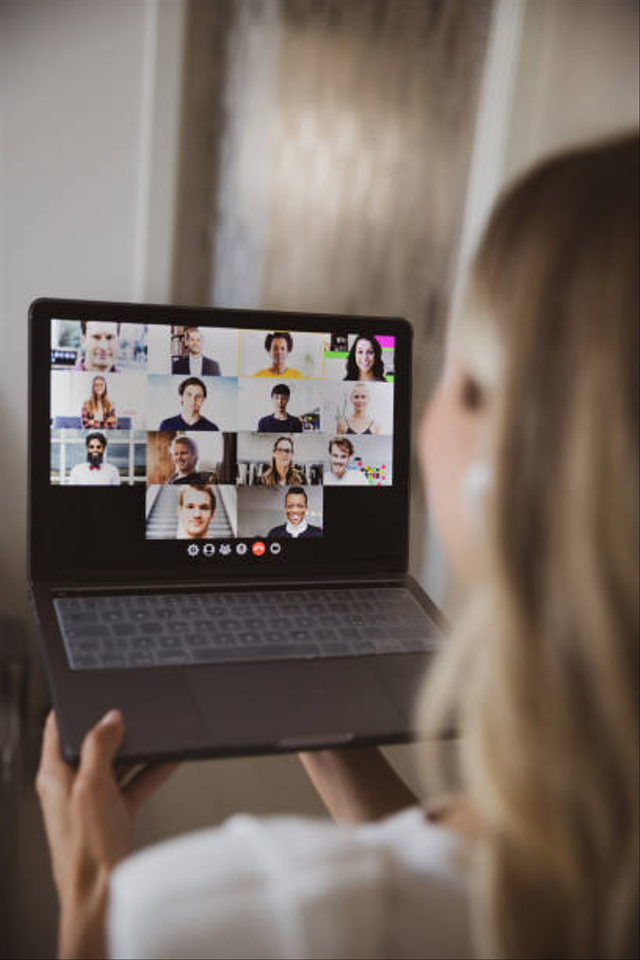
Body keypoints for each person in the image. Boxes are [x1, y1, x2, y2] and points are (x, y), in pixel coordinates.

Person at [36, 135, 639, 960]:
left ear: (525, 469)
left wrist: (87, 898)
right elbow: (466, 877)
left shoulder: (184, 919)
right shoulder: (594, 859)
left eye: (464, 380)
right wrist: (323, 729)